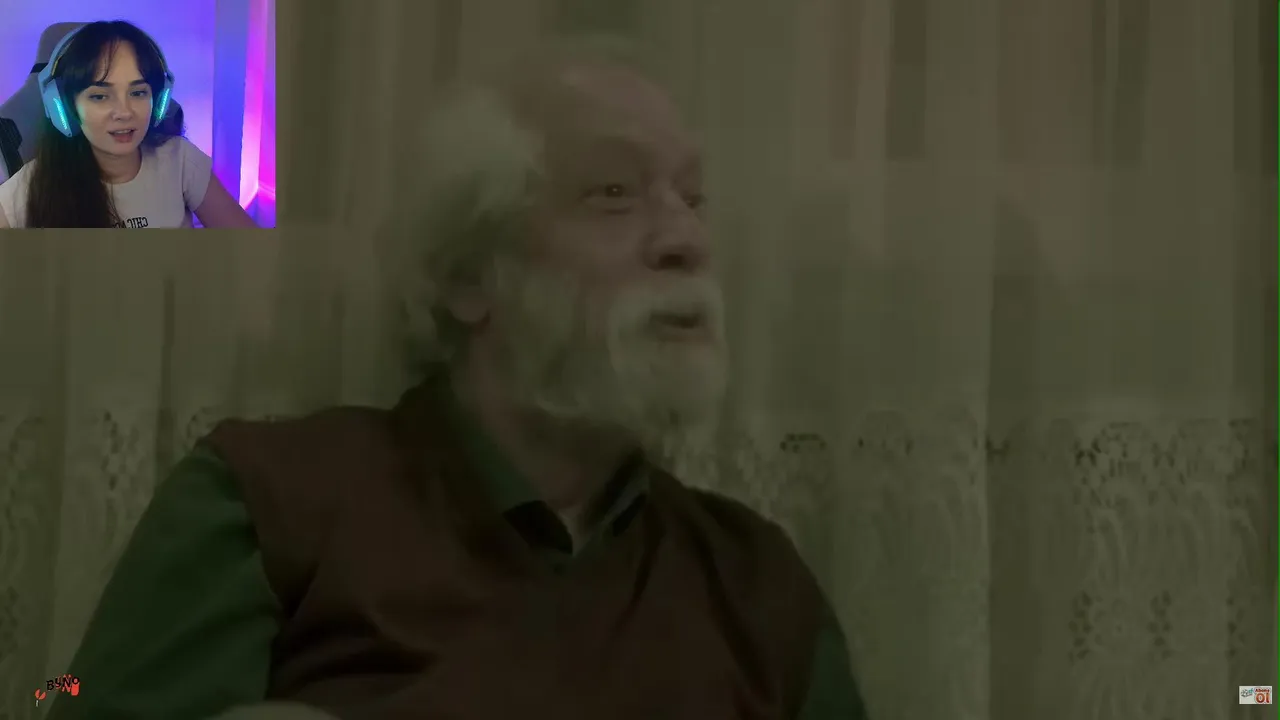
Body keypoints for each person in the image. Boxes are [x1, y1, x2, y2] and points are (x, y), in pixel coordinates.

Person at [46, 37, 868, 720]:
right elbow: (79, 700)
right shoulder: (268, 501)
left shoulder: (756, 585)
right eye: (615, 192)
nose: (687, 239)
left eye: (693, 199)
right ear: (470, 273)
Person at [0, 21, 256, 228]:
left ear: (158, 101)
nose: (124, 112)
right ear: (65, 107)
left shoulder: (181, 160)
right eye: (99, 96)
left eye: (138, 92)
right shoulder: (33, 184)